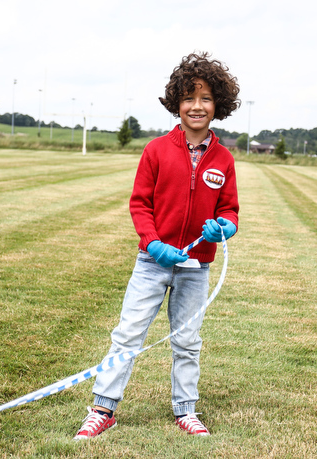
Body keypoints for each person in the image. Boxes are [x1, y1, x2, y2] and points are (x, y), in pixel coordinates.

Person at [73, 52, 241, 440]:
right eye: (188, 98)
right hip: (152, 263)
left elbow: (230, 209)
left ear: (219, 105)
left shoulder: (224, 159)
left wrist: (224, 228)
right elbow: (140, 204)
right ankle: (103, 408)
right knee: (128, 334)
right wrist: (153, 244)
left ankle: (186, 410)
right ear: (176, 104)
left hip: (196, 268)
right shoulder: (156, 150)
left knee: (187, 340)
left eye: (205, 98)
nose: (196, 106)